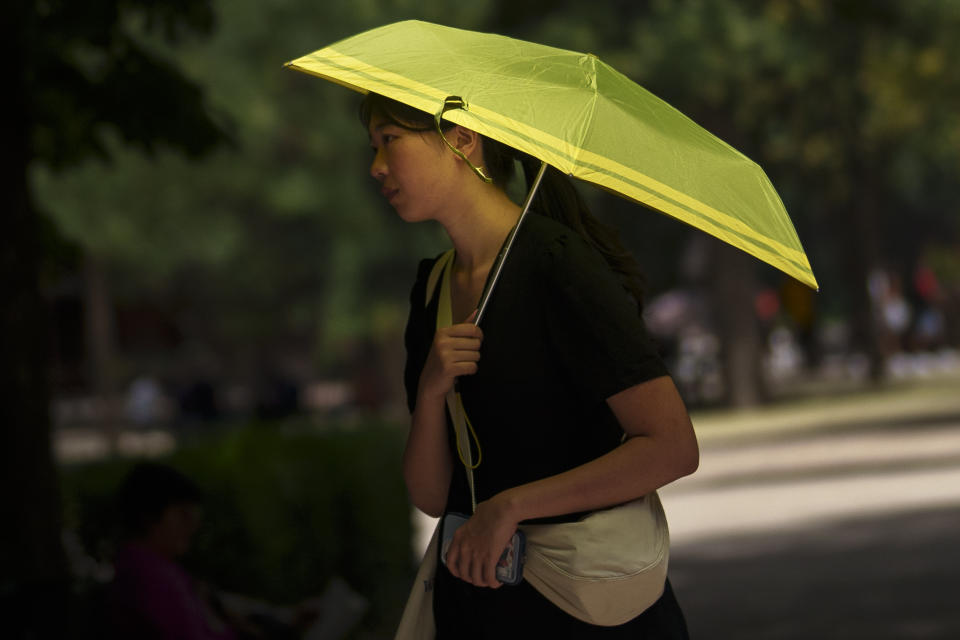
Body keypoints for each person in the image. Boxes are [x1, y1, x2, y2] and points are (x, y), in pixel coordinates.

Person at [363, 93, 699, 638]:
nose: (376, 166)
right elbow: (430, 496)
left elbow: (672, 446)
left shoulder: (558, 266)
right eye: (374, 146)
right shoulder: (433, 286)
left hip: (588, 608)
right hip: (480, 607)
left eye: (390, 141)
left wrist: (513, 506)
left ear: (461, 139)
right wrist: (430, 391)